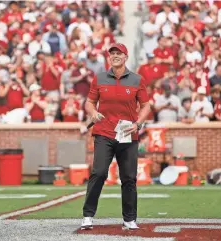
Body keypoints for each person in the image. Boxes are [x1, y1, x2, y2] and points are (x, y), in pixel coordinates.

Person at [81, 43, 150, 230]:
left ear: (126, 56)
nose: (115, 56)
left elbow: (145, 105)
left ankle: (129, 218)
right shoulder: (100, 77)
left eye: (118, 53)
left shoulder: (137, 79)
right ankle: (88, 216)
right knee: (99, 172)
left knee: (129, 177)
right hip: (104, 132)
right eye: (112, 54)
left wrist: (138, 124)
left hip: (128, 134)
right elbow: (89, 102)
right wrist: (93, 113)